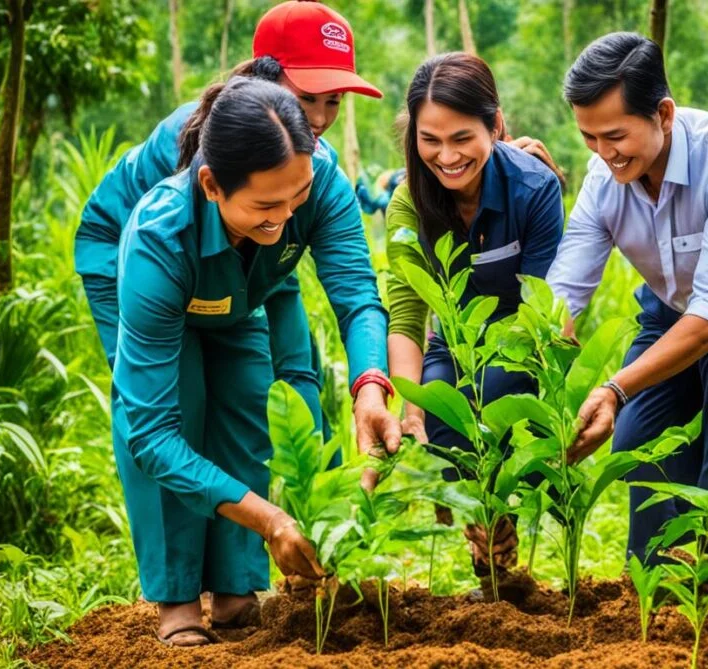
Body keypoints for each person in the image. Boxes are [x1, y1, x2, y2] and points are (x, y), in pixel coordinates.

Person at [112, 78, 399, 647]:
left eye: (296, 198)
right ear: (212, 185)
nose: (285, 217)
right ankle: (176, 600)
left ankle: (237, 590)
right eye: (266, 205)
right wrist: (272, 520)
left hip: (242, 301)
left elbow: (357, 295)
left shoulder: (318, 185)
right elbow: (150, 432)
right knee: (179, 419)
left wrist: (370, 384)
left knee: (250, 408)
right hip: (171, 299)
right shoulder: (159, 237)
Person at [545, 32, 708, 565]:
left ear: (663, 114)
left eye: (615, 135)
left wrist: (615, 387)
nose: (603, 154)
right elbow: (565, 293)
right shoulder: (603, 180)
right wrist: (551, 384)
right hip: (670, 304)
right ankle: (655, 565)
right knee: (636, 438)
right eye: (589, 137)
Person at [75, 0, 382, 439]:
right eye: (306, 97)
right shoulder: (197, 148)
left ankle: (268, 502)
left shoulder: (317, 171)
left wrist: (369, 382)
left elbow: (354, 289)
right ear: (264, 78)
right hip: (148, 261)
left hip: (254, 257)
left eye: (333, 101)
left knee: (268, 396)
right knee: (173, 412)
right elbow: (171, 252)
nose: (318, 119)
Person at [385, 53, 564, 575]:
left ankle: (500, 535)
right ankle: (491, 557)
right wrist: (411, 406)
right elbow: (407, 312)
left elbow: (540, 307)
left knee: (490, 397)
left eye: (462, 138)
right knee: (442, 410)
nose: (446, 156)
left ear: (495, 125)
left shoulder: (534, 189)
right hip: (452, 341)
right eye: (430, 139)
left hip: (524, 342)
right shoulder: (408, 202)